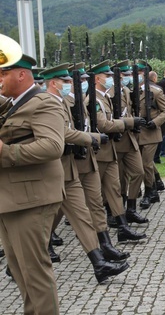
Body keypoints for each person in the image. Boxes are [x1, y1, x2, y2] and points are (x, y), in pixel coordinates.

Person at [42, 63, 130, 282]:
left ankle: (99, 261)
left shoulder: (62, 101)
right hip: (55, 168)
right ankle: (17, 263)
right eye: (66, 81)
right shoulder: (48, 103)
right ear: (54, 83)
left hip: (70, 165)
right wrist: (91, 138)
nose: (71, 84)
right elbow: (64, 132)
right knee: (44, 218)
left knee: (83, 213)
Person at [0, 52, 63, 314]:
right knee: (21, 273)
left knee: (34, 275)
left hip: (31, 200)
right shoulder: (13, 104)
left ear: (22, 74)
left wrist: (5, 152)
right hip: (12, 200)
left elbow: (52, 146)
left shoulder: (43, 103)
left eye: (3, 73)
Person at [91, 60, 147, 242]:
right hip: (99, 152)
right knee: (93, 195)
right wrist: (129, 123)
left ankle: (122, 227)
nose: (112, 79)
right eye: (107, 76)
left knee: (115, 189)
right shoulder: (94, 100)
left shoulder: (106, 97)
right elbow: (103, 124)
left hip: (111, 149)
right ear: (97, 78)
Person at [111, 60, 148, 224]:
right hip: (116, 140)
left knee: (138, 172)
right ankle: (117, 211)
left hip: (129, 138)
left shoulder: (126, 90)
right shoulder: (109, 92)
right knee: (119, 179)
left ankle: (131, 208)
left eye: (128, 75)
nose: (127, 78)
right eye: (124, 75)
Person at [136, 65, 165, 208]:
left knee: (145, 164)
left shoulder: (156, 92)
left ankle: (149, 193)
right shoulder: (133, 92)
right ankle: (156, 186)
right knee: (144, 164)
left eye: (137, 73)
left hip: (151, 133)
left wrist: (155, 122)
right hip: (137, 132)